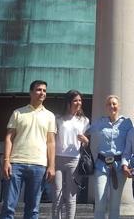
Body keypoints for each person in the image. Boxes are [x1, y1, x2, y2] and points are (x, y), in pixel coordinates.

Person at [0, 80, 56, 219]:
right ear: (31, 92)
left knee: (33, 209)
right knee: (8, 206)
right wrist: (6, 161)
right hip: (16, 163)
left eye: (44, 90)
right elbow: (9, 138)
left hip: (39, 166)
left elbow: (51, 142)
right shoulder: (18, 113)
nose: (42, 93)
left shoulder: (50, 116)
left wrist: (52, 166)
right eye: (38, 90)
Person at [88, 95, 133, 219]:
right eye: (109, 104)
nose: (112, 106)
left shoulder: (127, 122)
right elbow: (85, 130)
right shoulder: (100, 122)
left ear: (119, 106)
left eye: (114, 104)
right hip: (101, 165)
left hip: (119, 167)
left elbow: (133, 139)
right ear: (105, 107)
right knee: (100, 202)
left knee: (114, 205)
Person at [51, 90, 90, 219]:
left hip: (74, 159)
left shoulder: (84, 120)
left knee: (71, 195)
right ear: (68, 102)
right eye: (75, 100)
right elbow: (51, 140)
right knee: (57, 194)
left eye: (80, 100)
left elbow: (86, 144)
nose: (78, 103)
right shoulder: (58, 118)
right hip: (58, 159)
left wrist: (85, 141)